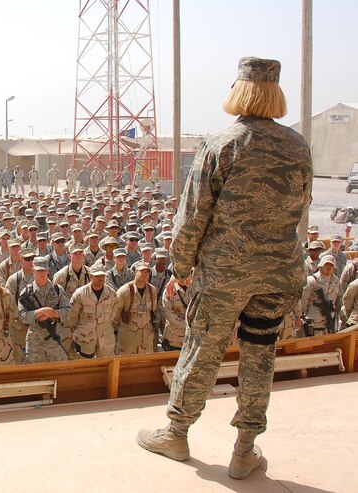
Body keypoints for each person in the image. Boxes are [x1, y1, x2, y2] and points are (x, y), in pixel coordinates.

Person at [137, 57, 313, 480]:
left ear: (239, 90)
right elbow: (301, 208)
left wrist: (180, 267)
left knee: (203, 349)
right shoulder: (298, 146)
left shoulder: (222, 144)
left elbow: (192, 215)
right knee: (260, 355)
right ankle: (245, 449)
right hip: (278, 274)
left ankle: (177, 433)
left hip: (224, 275)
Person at [17, 257, 71, 363]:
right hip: (35, 344)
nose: (41, 273)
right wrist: (39, 312)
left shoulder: (57, 289)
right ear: (33, 271)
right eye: (38, 270)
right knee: (36, 374)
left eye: (44, 270)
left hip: (55, 340)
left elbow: (67, 310)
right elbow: (22, 315)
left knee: (57, 372)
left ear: (48, 271)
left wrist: (53, 313)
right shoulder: (27, 292)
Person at [64, 263, 117, 358]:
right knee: (86, 367)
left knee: (106, 366)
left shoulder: (111, 294)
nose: (100, 278)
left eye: (102, 276)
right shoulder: (80, 294)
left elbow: (113, 315)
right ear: (91, 276)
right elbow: (72, 318)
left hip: (105, 338)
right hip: (85, 339)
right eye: (97, 276)